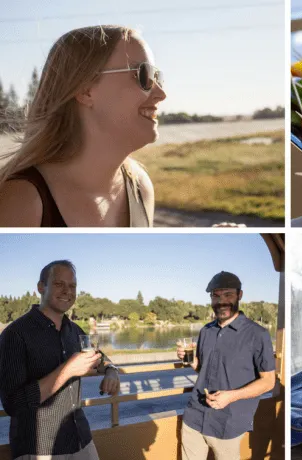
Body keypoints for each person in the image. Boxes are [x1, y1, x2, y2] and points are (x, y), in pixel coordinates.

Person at [0, 25, 166, 227]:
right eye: (144, 75)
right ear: (86, 89)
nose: (161, 94)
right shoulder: (21, 201)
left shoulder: (140, 187)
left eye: (157, 78)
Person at [0, 260, 120, 460]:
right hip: (40, 449)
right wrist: (67, 370)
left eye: (72, 286)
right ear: (41, 287)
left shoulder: (74, 331)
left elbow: (100, 358)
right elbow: (13, 404)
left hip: (82, 441)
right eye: (59, 284)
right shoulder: (15, 334)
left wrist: (111, 370)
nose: (67, 291)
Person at [176, 271, 276, 460]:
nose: (221, 301)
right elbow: (202, 368)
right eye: (216, 295)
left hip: (228, 423)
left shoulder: (258, 334)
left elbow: (268, 382)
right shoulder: (206, 330)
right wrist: (189, 360)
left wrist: (231, 396)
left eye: (228, 295)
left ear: (240, 295)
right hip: (194, 416)